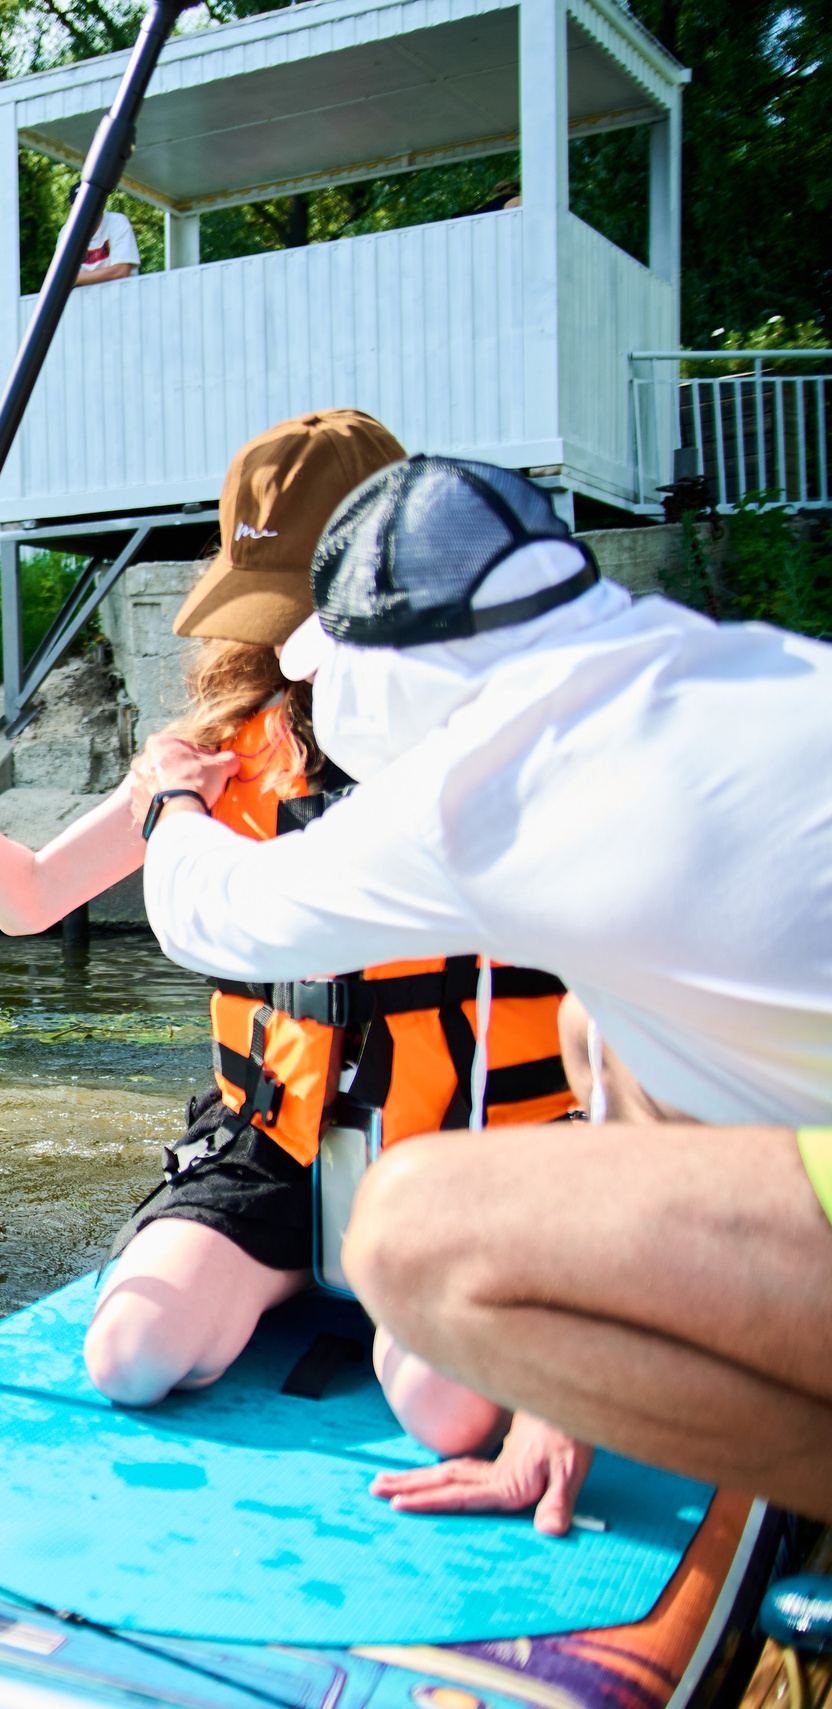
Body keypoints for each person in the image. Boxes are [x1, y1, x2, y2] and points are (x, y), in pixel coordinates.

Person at [0, 412, 584, 1509]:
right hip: (273, 1152)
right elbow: (26, 896)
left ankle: (410, 1305)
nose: (291, 643)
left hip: (466, 1157)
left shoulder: (505, 752)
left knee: (447, 1409)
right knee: (129, 1355)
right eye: (275, 611)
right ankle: (283, 1274)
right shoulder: (216, 758)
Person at [135, 454, 832, 1522]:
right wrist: (561, 1389)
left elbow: (211, 912)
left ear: (401, 662)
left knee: (408, 1229)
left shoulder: (479, 788)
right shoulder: (726, 660)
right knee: (601, 1032)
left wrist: (169, 805)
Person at [77, 207, 140, 284]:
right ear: (71, 207)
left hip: (123, 294)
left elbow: (120, 272)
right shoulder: (67, 232)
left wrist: (73, 279)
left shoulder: (117, 221)